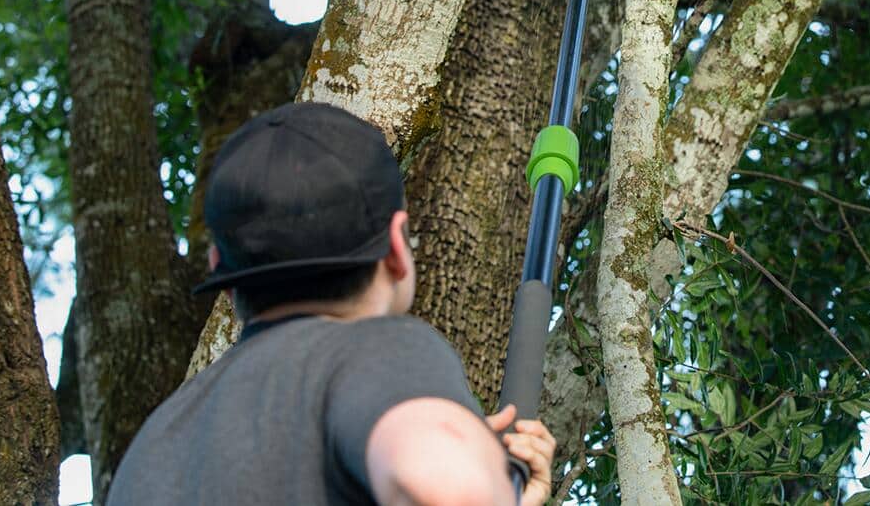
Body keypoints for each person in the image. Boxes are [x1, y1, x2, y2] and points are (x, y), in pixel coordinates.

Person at [109, 102, 557, 506]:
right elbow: (457, 492)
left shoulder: (155, 443)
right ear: (397, 247)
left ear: (220, 273)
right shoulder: (375, 352)